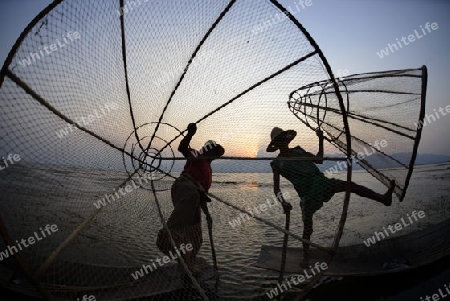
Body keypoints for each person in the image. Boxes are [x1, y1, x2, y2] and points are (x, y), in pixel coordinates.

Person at [266, 127, 395, 267]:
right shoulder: (277, 164)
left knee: (351, 186)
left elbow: (319, 159)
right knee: (307, 226)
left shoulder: (299, 151)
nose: (283, 142)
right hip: (307, 194)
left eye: (283, 138)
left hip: (321, 182)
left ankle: (383, 199)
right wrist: (283, 202)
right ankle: (305, 257)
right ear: (276, 144)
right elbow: (276, 188)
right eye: (279, 140)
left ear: (287, 139)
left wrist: (320, 139)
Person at [157, 123, 224, 276]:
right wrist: (190, 134)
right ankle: (165, 237)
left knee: (196, 237)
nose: (214, 155)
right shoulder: (198, 156)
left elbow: (201, 194)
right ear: (208, 150)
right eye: (212, 151)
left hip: (194, 196)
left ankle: (186, 265)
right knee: (178, 228)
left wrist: (207, 214)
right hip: (185, 188)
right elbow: (182, 148)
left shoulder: (208, 168)